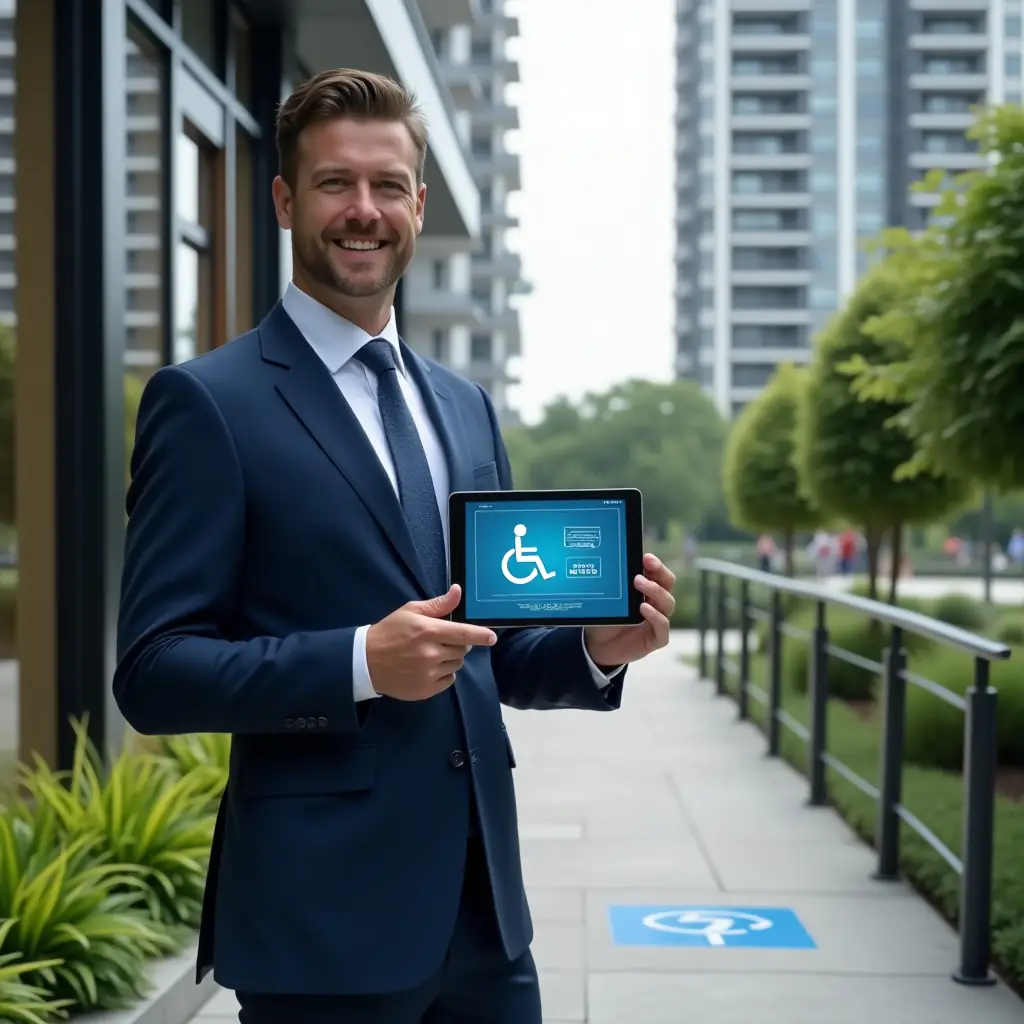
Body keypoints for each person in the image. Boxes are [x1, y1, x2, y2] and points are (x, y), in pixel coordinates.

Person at [113, 68, 677, 1024]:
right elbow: (155, 673)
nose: (363, 210)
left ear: (418, 204)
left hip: (486, 921)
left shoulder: (464, 406)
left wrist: (593, 649)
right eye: (334, 183)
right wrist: (360, 664)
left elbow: (488, 645)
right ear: (286, 200)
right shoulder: (208, 403)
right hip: (320, 929)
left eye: (387, 185)